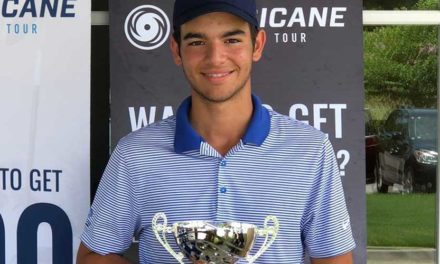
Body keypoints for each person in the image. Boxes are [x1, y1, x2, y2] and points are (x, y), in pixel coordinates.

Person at [76, 0, 356, 263]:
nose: (215, 57)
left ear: (257, 45)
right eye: (197, 42)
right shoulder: (134, 154)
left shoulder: (310, 149)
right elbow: (92, 256)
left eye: (232, 40)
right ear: (176, 50)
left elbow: (334, 258)